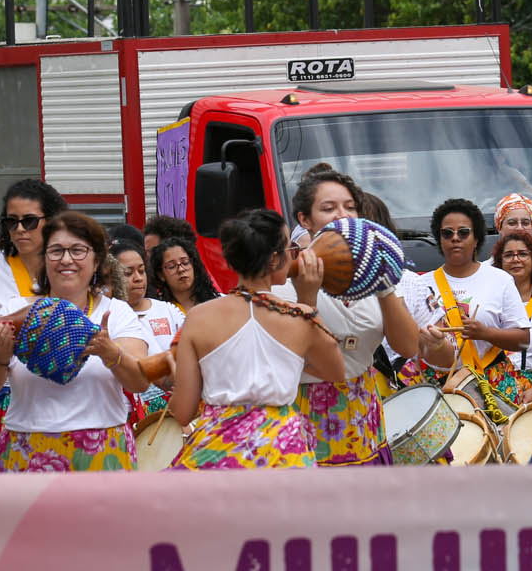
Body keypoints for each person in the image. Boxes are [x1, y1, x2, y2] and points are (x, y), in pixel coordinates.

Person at [277, 170, 439, 466]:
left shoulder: (370, 272)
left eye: (350, 207)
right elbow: (297, 356)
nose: (343, 215)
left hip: (364, 411)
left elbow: (406, 347)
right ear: (304, 219)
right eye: (328, 208)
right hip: (307, 412)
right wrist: (308, 298)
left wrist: (385, 286)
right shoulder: (285, 282)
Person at [0, 213, 151, 473]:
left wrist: (109, 352)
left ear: (97, 260)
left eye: (78, 250)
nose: (66, 259)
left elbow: (140, 382)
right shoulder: (15, 308)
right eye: (56, 251)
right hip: (25, 448)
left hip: (101, 449)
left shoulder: (117, 312)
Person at [169, 210, 342, 469]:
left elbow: (182, 411)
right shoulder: (300, 317)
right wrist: (308, 297)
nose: (294, 254)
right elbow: (336, 371)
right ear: (274, 259)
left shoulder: (198, 317)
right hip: (283, 453)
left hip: (218, 452)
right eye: (289, 248)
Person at [398, 200, 530, 413]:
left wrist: (485, 333)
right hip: (441, 388)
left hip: (493, 387)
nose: (455, 238)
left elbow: (523, 341)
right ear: (439, 240)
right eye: (447, 233)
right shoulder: (421, 284)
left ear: (476, 238)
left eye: (464, 232)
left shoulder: (500, 279)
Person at [0, 178, 65, 323]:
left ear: (52, 221)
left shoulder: (69, 266)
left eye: (29, 221)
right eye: (12, 221)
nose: (20, 229)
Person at [115, 239, 182, 428]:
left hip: (172, 410)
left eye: (141, 271)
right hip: (127, 413)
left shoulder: (169, 310)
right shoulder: (108, 315)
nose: (137, 278)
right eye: (128, 273)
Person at [491, 233, 532, 404]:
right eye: (508, 255)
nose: (515, 259)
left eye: (522, 254)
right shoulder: (488, 305)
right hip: (493, 395)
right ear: (499, 262)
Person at [151, 235, 220, 313]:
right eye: (172, 266)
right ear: (161, 275)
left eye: (185, 262)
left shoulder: (219, 301)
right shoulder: (159, 310)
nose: (181, 269)